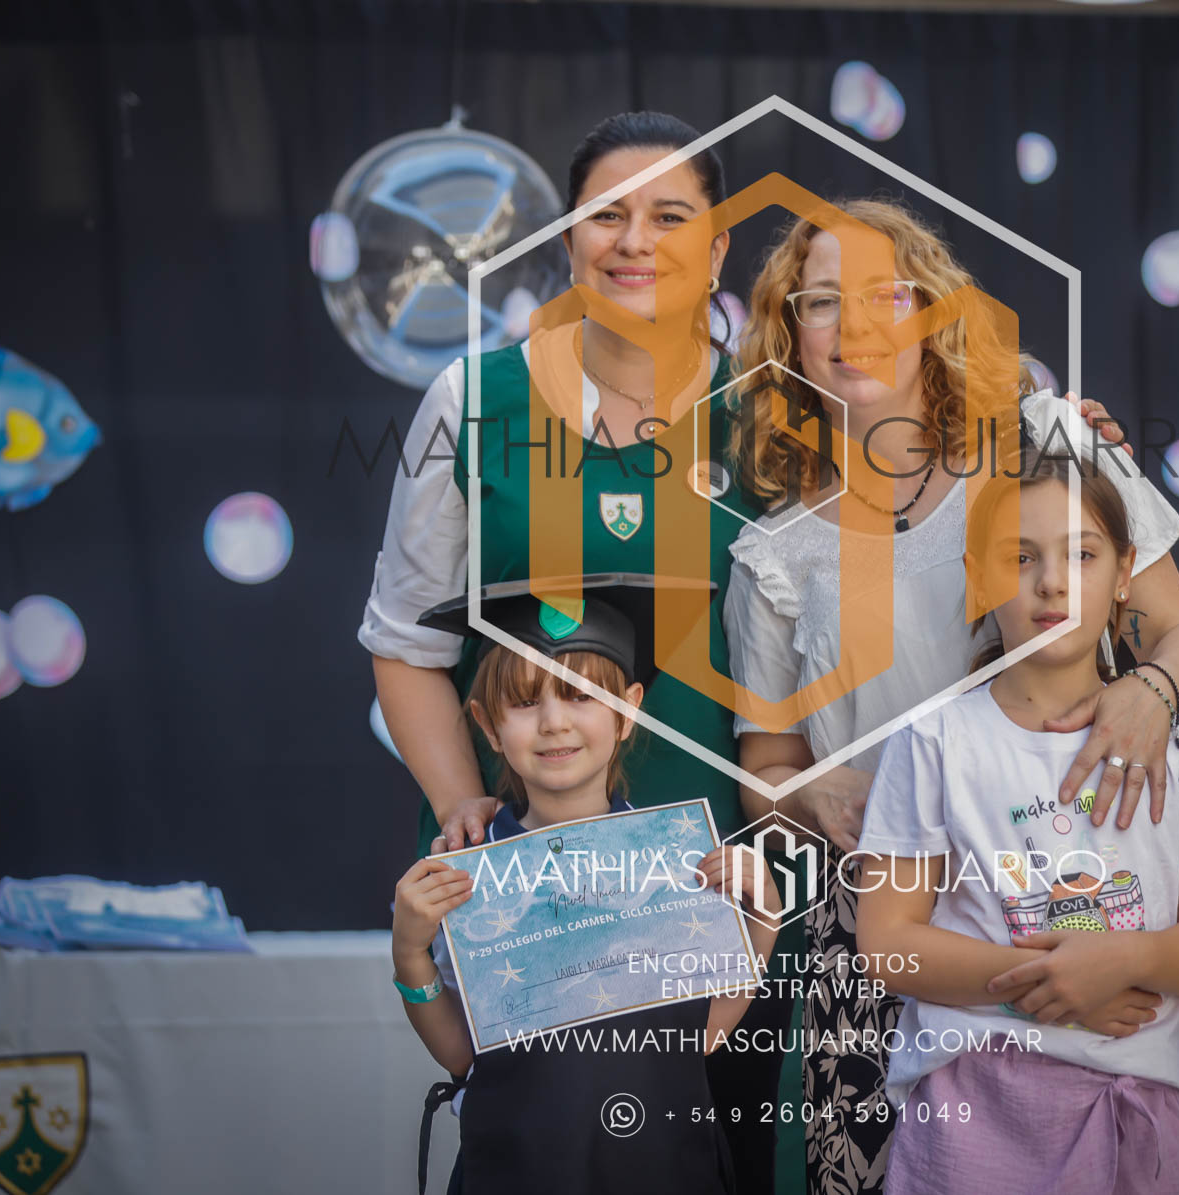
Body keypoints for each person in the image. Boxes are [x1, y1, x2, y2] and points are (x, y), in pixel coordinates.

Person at [723, 199, 1179, 1194]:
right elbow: (763, 771)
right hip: (888, 924)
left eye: (884, 295)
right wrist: (810, 791)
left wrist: (1152, 692)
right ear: (786, 335)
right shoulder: (772, 551)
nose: (854, 326)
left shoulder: (1047, 443)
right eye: (820, 303)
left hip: (1066, 884)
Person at [359, 112, 796, 1187]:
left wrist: (1051, 432)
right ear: (567, 239)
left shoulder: (776, 413)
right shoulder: (473, 401)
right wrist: (464, 804)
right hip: (530, 889)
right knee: (541, 1147)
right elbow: (403, 641)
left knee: (704, 1156)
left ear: (717, 248)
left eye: (669, 216)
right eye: (607, 215)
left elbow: (926, 500)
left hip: (714, 872)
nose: (634, 240)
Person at [853, 446, 1179, 1193]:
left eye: (1082, 553)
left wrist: (1123, 961)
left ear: (1124, 573)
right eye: (1020, 557)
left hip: (1137, 1115)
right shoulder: (933, 743)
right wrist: (1045, 981)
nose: (1051, 580)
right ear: (979, 576)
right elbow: (887, 944)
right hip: (971, 1112)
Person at [390, 581, 781, 1194]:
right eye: (525, 702)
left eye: (580, 695)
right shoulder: (472, 874)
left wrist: (763, 921)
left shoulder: (676, 864)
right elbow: (463, 1055)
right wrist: (410, 952)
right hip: (520, 1171)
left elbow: (700, 1037)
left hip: (660, 1169)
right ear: (487, 725)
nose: (554, 723)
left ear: (627, 710)